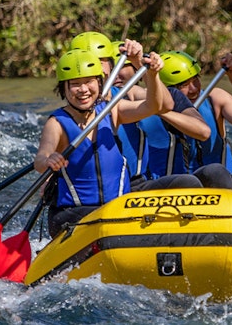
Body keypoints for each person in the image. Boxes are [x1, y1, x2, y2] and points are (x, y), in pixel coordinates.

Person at [34, 42, 193, 237]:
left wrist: (152, 75)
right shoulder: (57, 123)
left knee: (187, 182)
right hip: (71, 215)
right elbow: (41, 158)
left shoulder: (111, 112)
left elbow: (153, 106)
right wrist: (49, 161)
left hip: (117, 211)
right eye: (75, 84)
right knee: (108, 217)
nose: (83, 89)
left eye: (89, 82)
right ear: (64, 89)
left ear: (99, 83)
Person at [160, 50, 232, 173]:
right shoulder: (150, 110)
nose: (193, 89)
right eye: (183, 85)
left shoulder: (215, 99)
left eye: (195, 79)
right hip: (176, 186)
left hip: (220, 183)